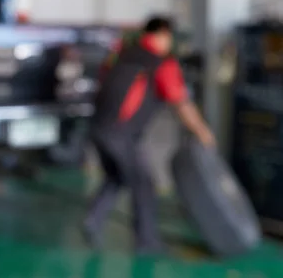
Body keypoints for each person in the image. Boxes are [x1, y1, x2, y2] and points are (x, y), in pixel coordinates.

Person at [82, 15, 215, 255]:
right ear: (163, 33)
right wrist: (203, 132)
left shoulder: (122, 53)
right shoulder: (161, 64)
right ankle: (147, 242)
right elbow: (181, 103)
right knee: (144, 184)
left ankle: (93, 219)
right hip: (120, 134)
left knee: (117, 175)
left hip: (97, 128)